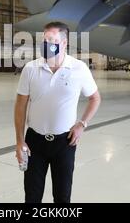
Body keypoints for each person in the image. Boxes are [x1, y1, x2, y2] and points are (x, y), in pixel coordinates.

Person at [14, 21, 101, 203]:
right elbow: (20, 105)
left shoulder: (78, 69)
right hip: (34, 143)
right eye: (44, 39)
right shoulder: (30, 69)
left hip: (64, 143)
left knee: (62, 196)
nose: (46, 43)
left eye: (52, 39)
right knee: (32, 195)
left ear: (64, 43)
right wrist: (20, 140)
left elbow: (95, 98)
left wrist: (82, 124)